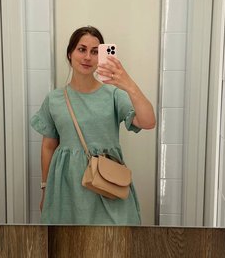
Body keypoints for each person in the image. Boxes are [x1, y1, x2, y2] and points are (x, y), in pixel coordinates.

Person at [30, 26, 156, 225]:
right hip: (66, 187)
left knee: (113, 241)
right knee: (67, 241)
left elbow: (148, 122)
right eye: (82, 49)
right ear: (70, 54)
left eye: (95, 52)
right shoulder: (54, 99)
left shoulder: (113, 95)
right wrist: (45, 188)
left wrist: (128, 84)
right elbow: (48, 146)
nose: (88, 57)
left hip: (107, 184)